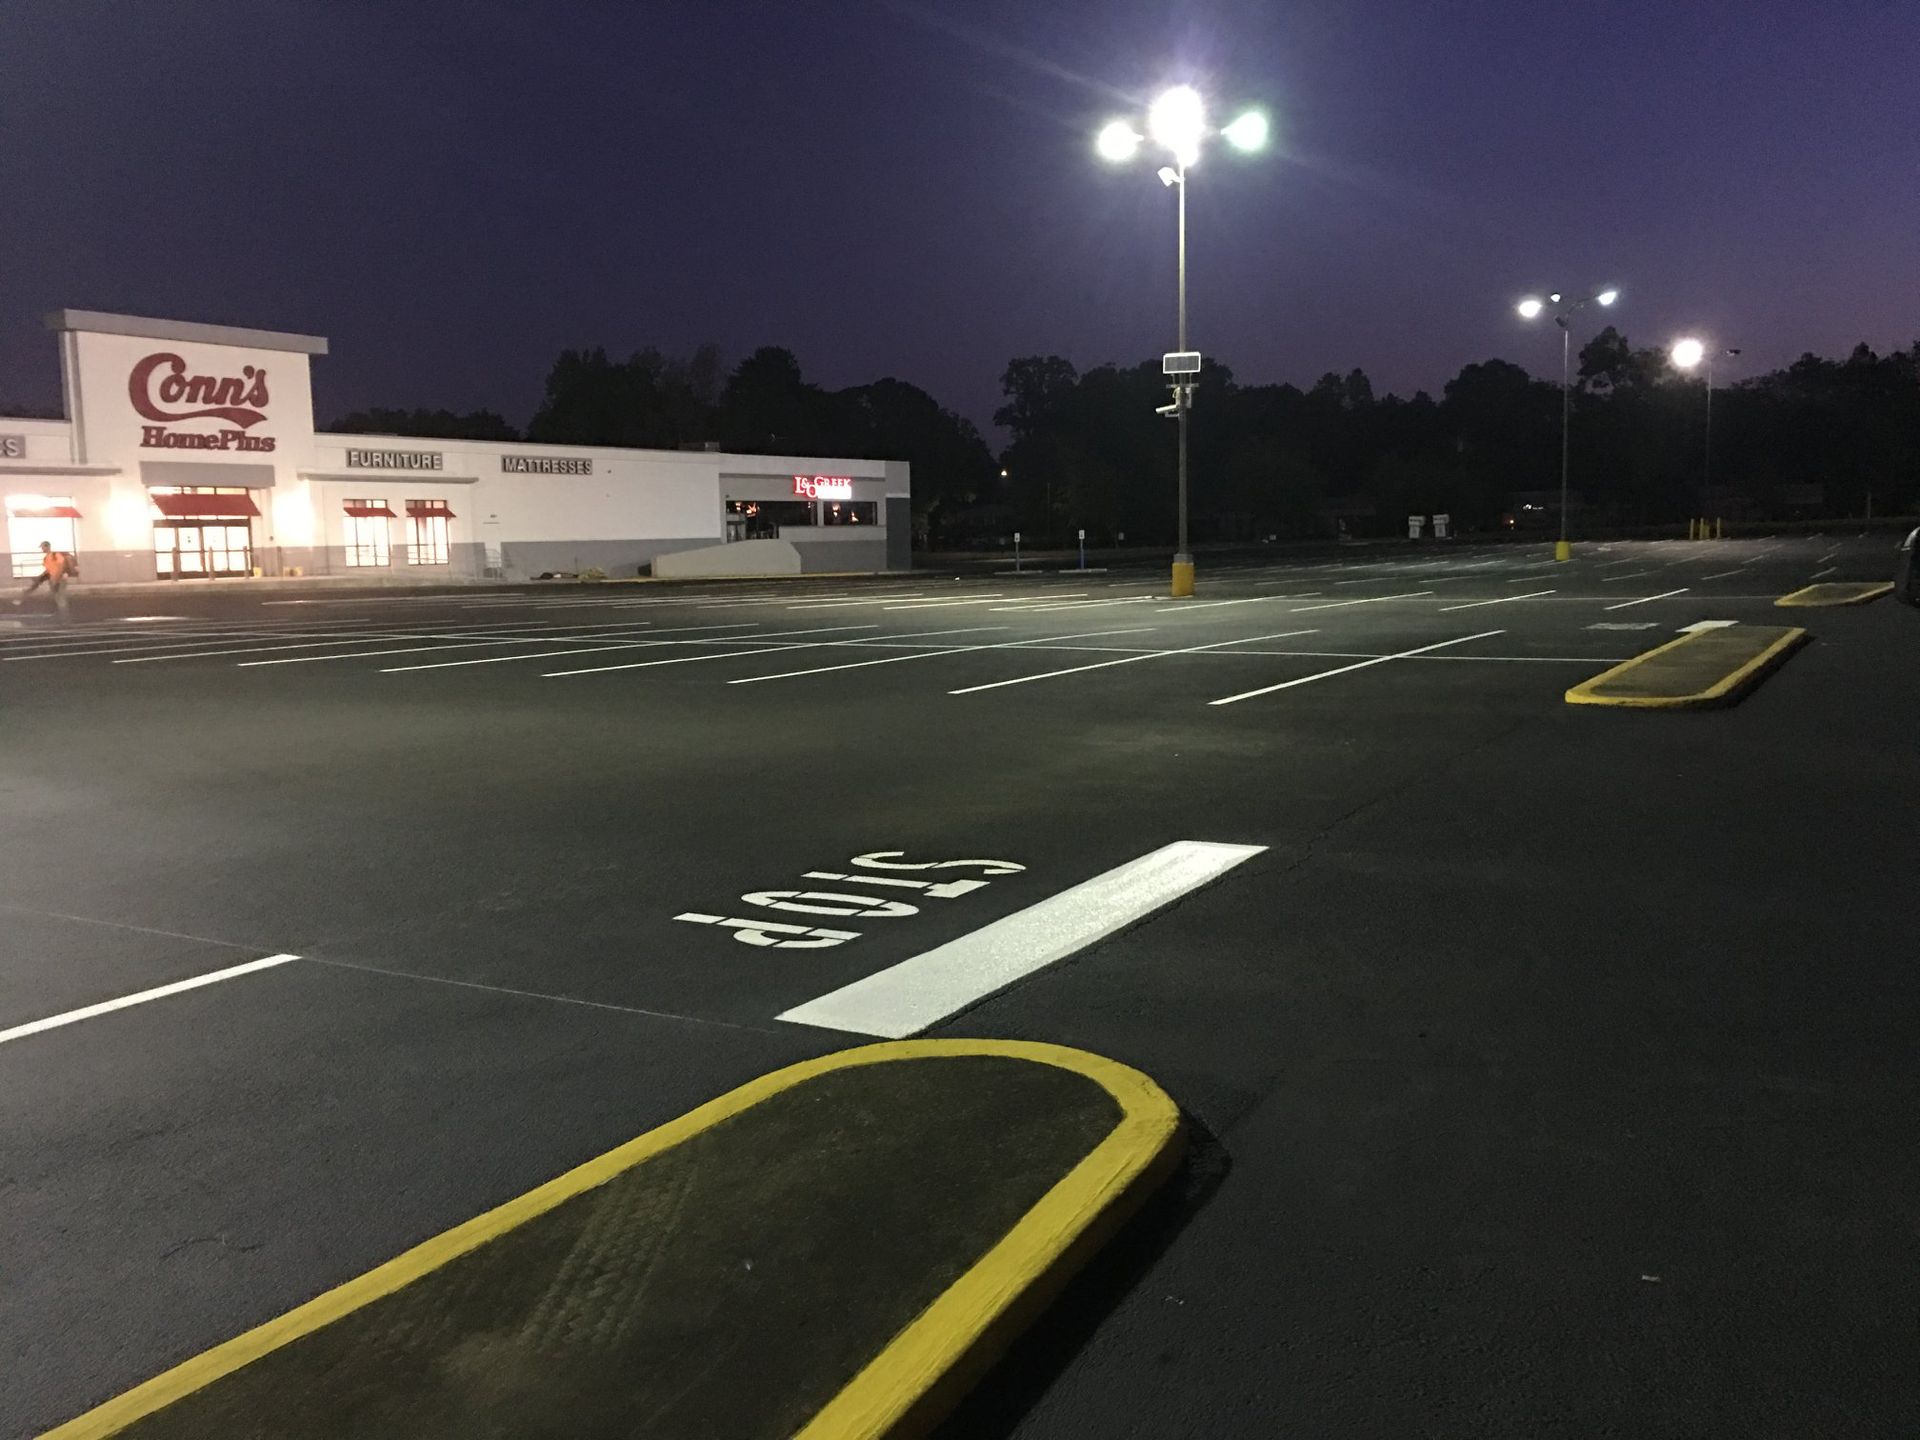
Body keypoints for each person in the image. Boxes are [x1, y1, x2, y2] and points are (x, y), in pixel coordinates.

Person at [16, 540, 77, 621]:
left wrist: (56, 578)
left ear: (47, 546)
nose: (42, 549)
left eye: (42, 547)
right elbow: (48, 570)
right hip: (52, 580)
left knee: (61, 598)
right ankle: (60, 615)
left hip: (60, 579)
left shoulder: (56, 555)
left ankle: (65, 618)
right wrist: (40, 577)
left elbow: (61, 565)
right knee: (56, 597)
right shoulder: (46, 558)